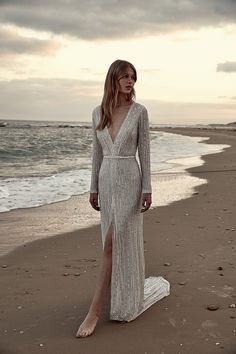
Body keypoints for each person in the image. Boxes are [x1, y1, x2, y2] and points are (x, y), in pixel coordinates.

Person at [76, 59, 170, 338]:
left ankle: (93, 311)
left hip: (131, 179)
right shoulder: (98, 113)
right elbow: (96, 155)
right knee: (112, 241)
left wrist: (147, 187)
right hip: (105, 181)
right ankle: (120, 297)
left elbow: (146, 153)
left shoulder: (139, 112)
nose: (130, 81)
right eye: (125, 76)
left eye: (133, 77)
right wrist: (93, 187)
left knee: (113, 242)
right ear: (113, 79)